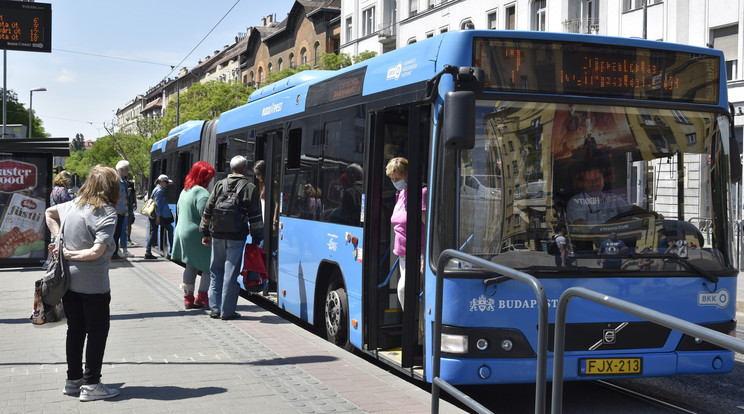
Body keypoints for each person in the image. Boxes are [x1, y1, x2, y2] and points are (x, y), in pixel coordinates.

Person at [44, 164, 120, 401]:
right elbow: (96, 252)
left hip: (68, 282)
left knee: (75, 330)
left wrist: (58, 241)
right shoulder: (107, 212)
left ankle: (73, 380)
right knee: (97, 332)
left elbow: (48, 213)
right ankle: (91, 385)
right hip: (94, 284)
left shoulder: (71, 205)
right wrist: (68, 252)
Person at [199, 155, 263, 320]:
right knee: (230, 273)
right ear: (244, 169)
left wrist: (205, 232)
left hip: (217, 235)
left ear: (231, 168)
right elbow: (255, 217)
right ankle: (227, 312)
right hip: (237, 237)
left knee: (216, 271)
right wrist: (257, 238)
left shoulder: (220, 185)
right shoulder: (250, 188)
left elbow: (208, 210)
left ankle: (214, 309)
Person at [171, 161, 215, 309]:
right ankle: (202, 297)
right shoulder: (202, 193)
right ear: (204, 177)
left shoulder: (185, 191)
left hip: (181, 231)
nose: (210, 181)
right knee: (209, 266)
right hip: (197, 233)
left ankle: (188, 298)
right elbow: (206, 216)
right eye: (209, 177)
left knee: (191, 265)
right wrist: (208, 234)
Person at [386, 157, 426, 311]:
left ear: (407, 175)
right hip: (402, 254)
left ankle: (414, 325)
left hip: (418, 254)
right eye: (392, 179)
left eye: (398, 178)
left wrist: (426, 256)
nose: (395, 182)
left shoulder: (422, 192)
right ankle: (414, 326)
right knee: (406, 290)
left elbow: (427, 225)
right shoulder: (400, 194)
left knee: (404, 289)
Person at [566, 168, 631, 225]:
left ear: (603, 181)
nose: (594, 183)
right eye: (589, 181)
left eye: (597, 180)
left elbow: (632, 210)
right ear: (583, 184)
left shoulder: (613, 198)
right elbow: (581, 227)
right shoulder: (576, 202)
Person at [46, 171, 74, 269]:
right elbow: (68, 203)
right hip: (62, 216)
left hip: (55, 216)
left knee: (55, 237)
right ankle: (58, 259)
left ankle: (48, 260)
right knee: (61, 238)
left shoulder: (54, 189)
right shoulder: (63, 190)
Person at [145, 174, 174, 260]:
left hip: (153, 214)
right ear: (161, 182)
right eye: (166, 182)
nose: (167, 185)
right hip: (158, 215)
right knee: (170, 228)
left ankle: (148, 252)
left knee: (154, 232)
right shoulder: (160, 191)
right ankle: (172, 248)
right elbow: (157, 204)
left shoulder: (156, 189)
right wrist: (158, 216)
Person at [111, 161, 132, 260]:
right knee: (116, 233)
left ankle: (115, 252)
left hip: (122, 210)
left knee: (118, 232)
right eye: (126, 169)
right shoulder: (117, 181)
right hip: (118, 211)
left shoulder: (122, 181)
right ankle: (114, 254)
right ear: (121, 170)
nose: (127, 171)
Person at [126, 179, 137, 246]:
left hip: (129, 207)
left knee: (129, 223)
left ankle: (128, 238)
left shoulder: (130, 184)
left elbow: (133, 194)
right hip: (120, 207)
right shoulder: (117, 182)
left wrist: (135, 203)